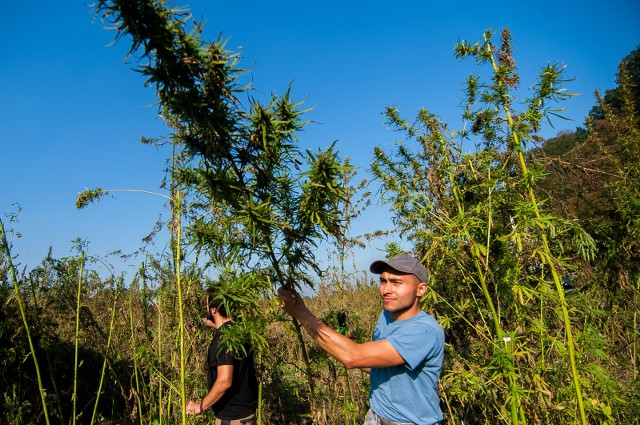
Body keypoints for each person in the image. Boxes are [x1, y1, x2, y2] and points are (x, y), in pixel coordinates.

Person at [278, 254, 445, 425]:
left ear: (421, 289)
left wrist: (300, 312)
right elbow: (378, 368)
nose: (386, 290)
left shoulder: (424, 331)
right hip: (375, 416)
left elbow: (352, 357)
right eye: (383, 281)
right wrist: (349, 346)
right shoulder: (387, 315)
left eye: (396, 283)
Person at [186, 287, 259, 425]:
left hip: (232, 420)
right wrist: (202, 323)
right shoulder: (238, 331)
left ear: (213, 309)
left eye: (207, 305)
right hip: (246, 415)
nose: (206, 308)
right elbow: (222, 325)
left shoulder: (224, 340)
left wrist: (199, 406)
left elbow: (224, 381)